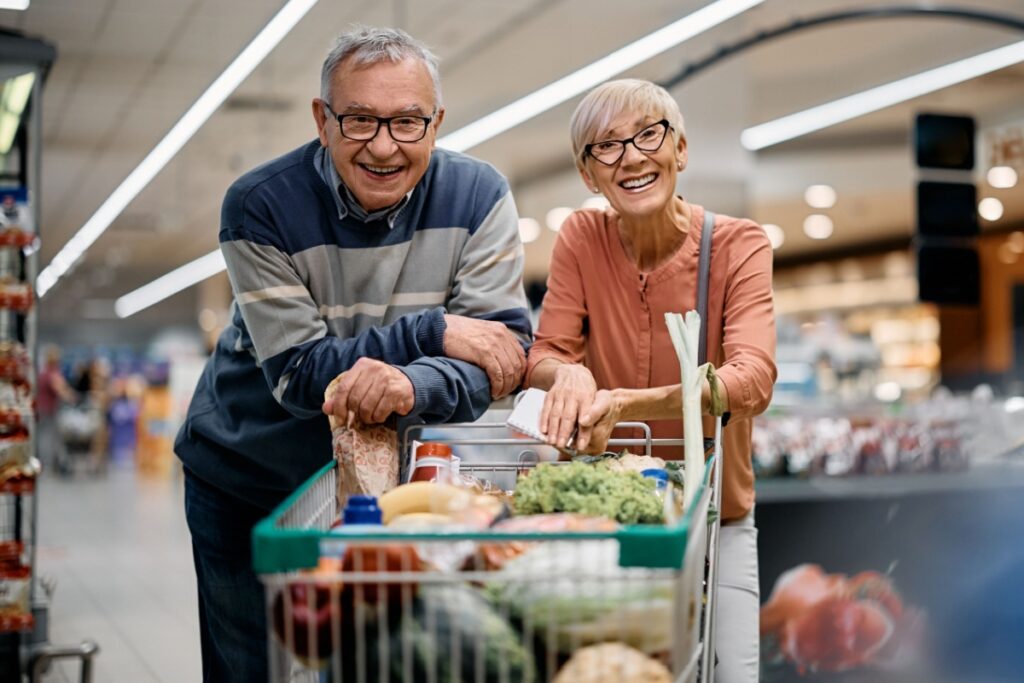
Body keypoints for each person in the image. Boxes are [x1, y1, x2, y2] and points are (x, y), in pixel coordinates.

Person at [174, 27, 531, 682]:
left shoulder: (480, 197)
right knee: (254, 666)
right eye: (360, 119)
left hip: (375, 490)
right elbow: (301, 373)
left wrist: (406, 384)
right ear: (322, 118)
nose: (384, 145)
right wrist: (435, 330)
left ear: (437, 121)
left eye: (407, 122)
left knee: (368, 662)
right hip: (247, 476)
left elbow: (502, 356)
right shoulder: (260, 205)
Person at [525, 79, 776, 683]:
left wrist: (630, 402)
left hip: (717, 522)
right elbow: (545, 355)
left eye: (647, 135)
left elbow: (753, 380)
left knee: (730, 674)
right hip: (618, 520)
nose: (631, 157)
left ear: (680, 150)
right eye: (605, 146)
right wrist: (573, 376)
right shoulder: (581, 241)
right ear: (589, 175)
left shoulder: (738, 244)